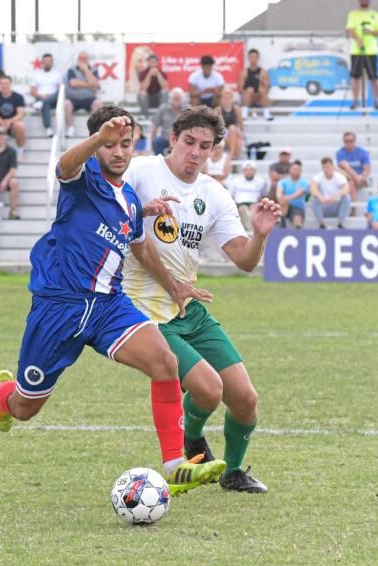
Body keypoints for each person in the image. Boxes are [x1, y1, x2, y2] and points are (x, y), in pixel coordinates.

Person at [0, 105, 227, 497]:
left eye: (125, 144)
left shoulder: (131, 199)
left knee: (165, 361)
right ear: (97, 147)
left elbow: (139, 243)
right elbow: (66, 164)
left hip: (108, 307)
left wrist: (170, 278)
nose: (118, 152)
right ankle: (3, 397)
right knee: (25, 408)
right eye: (110, 144)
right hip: (59, 308)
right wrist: (98, 138)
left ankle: (174, 465)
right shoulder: (82, 179)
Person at [121, 105, 282, 493]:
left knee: (245, 398)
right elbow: (115, 217)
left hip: (189, 309)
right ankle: (191, 440)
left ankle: (233, 472)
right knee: (209, 389)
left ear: (214, 151)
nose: (195, 151)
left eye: (205, 146)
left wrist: (259, 234)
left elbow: (243, 260)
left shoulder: (212, 193)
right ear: (173, 140)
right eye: (189, 142)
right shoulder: (141, 171)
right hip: (146, 312)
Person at [346, 0, 378, 110]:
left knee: (373, 76)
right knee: (355, 76)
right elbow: (350, 29)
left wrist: (371, 32)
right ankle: (355, 101)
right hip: (357, 51)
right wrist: (358, 39)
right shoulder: (353, 14)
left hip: (371, 50)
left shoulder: (375, 15)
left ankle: (376, 101)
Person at [63, 52, 104, 137]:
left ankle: (95, 130)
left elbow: (94, 83)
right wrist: (90, 85)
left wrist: (86, 70)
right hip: (74, 98)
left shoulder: (93, 69)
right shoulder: (72, 69)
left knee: (98, 103)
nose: (83, 60)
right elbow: (73, 83)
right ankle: (71, 129)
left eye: (85, 58)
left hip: (89, 98)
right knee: (66, 104)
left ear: (88, 60)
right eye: (81, 58)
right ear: (78, 60)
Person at [309, 157, 351, 228]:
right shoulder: (318, 177)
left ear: (332, 166)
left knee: (347, 198)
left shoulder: (339, 177)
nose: (326, 170)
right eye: (324, 167)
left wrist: (334, 197)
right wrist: (321, 197)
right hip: (323, 206)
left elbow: (346, 188)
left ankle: (340, 223)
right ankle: (321, 223)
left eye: (328, 167)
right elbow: (313, 189)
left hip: (335, 206)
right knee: (313, 198)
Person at [0, 75, 26, 154]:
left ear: (10, 84)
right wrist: (2, 122)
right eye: (2, 84)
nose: (4, 86)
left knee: (20, 126)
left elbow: (20, 115)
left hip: (13, 123)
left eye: (6, 83)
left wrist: (9, 122)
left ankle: (20, 150)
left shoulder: (18, 97)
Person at [30, 53, 64, 137]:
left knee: (59, 94)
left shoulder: (57, 74)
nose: (47, 63)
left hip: (54, 99)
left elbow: (60, 89)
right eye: (45, 61)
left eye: (49, 61)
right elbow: (33, 91)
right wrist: (42, 96)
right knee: (46, 105)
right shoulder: (36, 74)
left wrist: (50, 95)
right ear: (42, 62)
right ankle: (48, 128)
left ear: (52, 62)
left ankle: (42, 103)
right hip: (40, 97)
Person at [228, 160, 268, 232]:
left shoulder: (261, 182)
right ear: (243, 171)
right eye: (246, 170)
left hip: (254, 202)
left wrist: (261, 199)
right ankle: (246, 229)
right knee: (243, 209)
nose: (249, 172)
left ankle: (250, 230)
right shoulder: (235, 181)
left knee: (254, 209)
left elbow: (264, 195)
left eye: (251, 170)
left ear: (255, 171)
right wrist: (233, 201)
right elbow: (230, 195)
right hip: (240, 202)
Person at [336, 131, 371, 204]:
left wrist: (361, 176)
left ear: (355, 141)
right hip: (347, 177)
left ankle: (353, 210)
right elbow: (344, 167)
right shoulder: (340, 153)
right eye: (346, 141)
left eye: (351, 141)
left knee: (351, 182)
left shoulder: (362, 152)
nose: (349, 143)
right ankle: (353, 210)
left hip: (360, 178)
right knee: (334, 168)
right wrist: (355, 176)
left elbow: (367, 169)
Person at [151, 88, 185, 157]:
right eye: (175, 98)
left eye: (178, 98)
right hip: (165, 137)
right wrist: (152, 142)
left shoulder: (187, 110)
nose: (176, 100)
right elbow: (155, 126)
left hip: (181, 138)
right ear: (171, 98)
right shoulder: (163, 108)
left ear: (182, 99)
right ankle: (159, 162)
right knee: (156, 142)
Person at [240, 48, 272, 121]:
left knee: (261, 89)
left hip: (259, 98)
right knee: (250, 89)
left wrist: (257, 95)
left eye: (255, 57)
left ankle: (267, 114)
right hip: (248, 99)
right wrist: (249, 94)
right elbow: (240, 89)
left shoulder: (263, 72)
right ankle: (244, 113)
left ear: (258, 59)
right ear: (248, 59)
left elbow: (266, 88)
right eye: (251, 57)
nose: (253, 59)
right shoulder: (244, 73)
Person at [276, 160, 309, 228]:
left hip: (297, 206)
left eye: (298, 170)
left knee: (297, 222)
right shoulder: (283, 181)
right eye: (294, 169)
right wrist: (282, 198)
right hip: (284, 204)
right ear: (290, 170)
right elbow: (278, 194)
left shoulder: (305, 183)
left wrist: (285, 197)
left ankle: (283, 222)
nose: (296, 172)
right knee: (283, 200)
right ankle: (282, 221)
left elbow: (298, 195)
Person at [215, 88, 244, 158]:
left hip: (233, 132)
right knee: (238, 143)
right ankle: (235, 165)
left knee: (232, 128)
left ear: (232, 99)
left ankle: (232, 154)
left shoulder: (237, 109)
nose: (227, 100)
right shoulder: (218, 110)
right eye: (225, 98)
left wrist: (242, 133)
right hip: (224, 135)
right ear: (221, 99)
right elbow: (214, 125)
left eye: (228, 98)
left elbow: (241, 124)